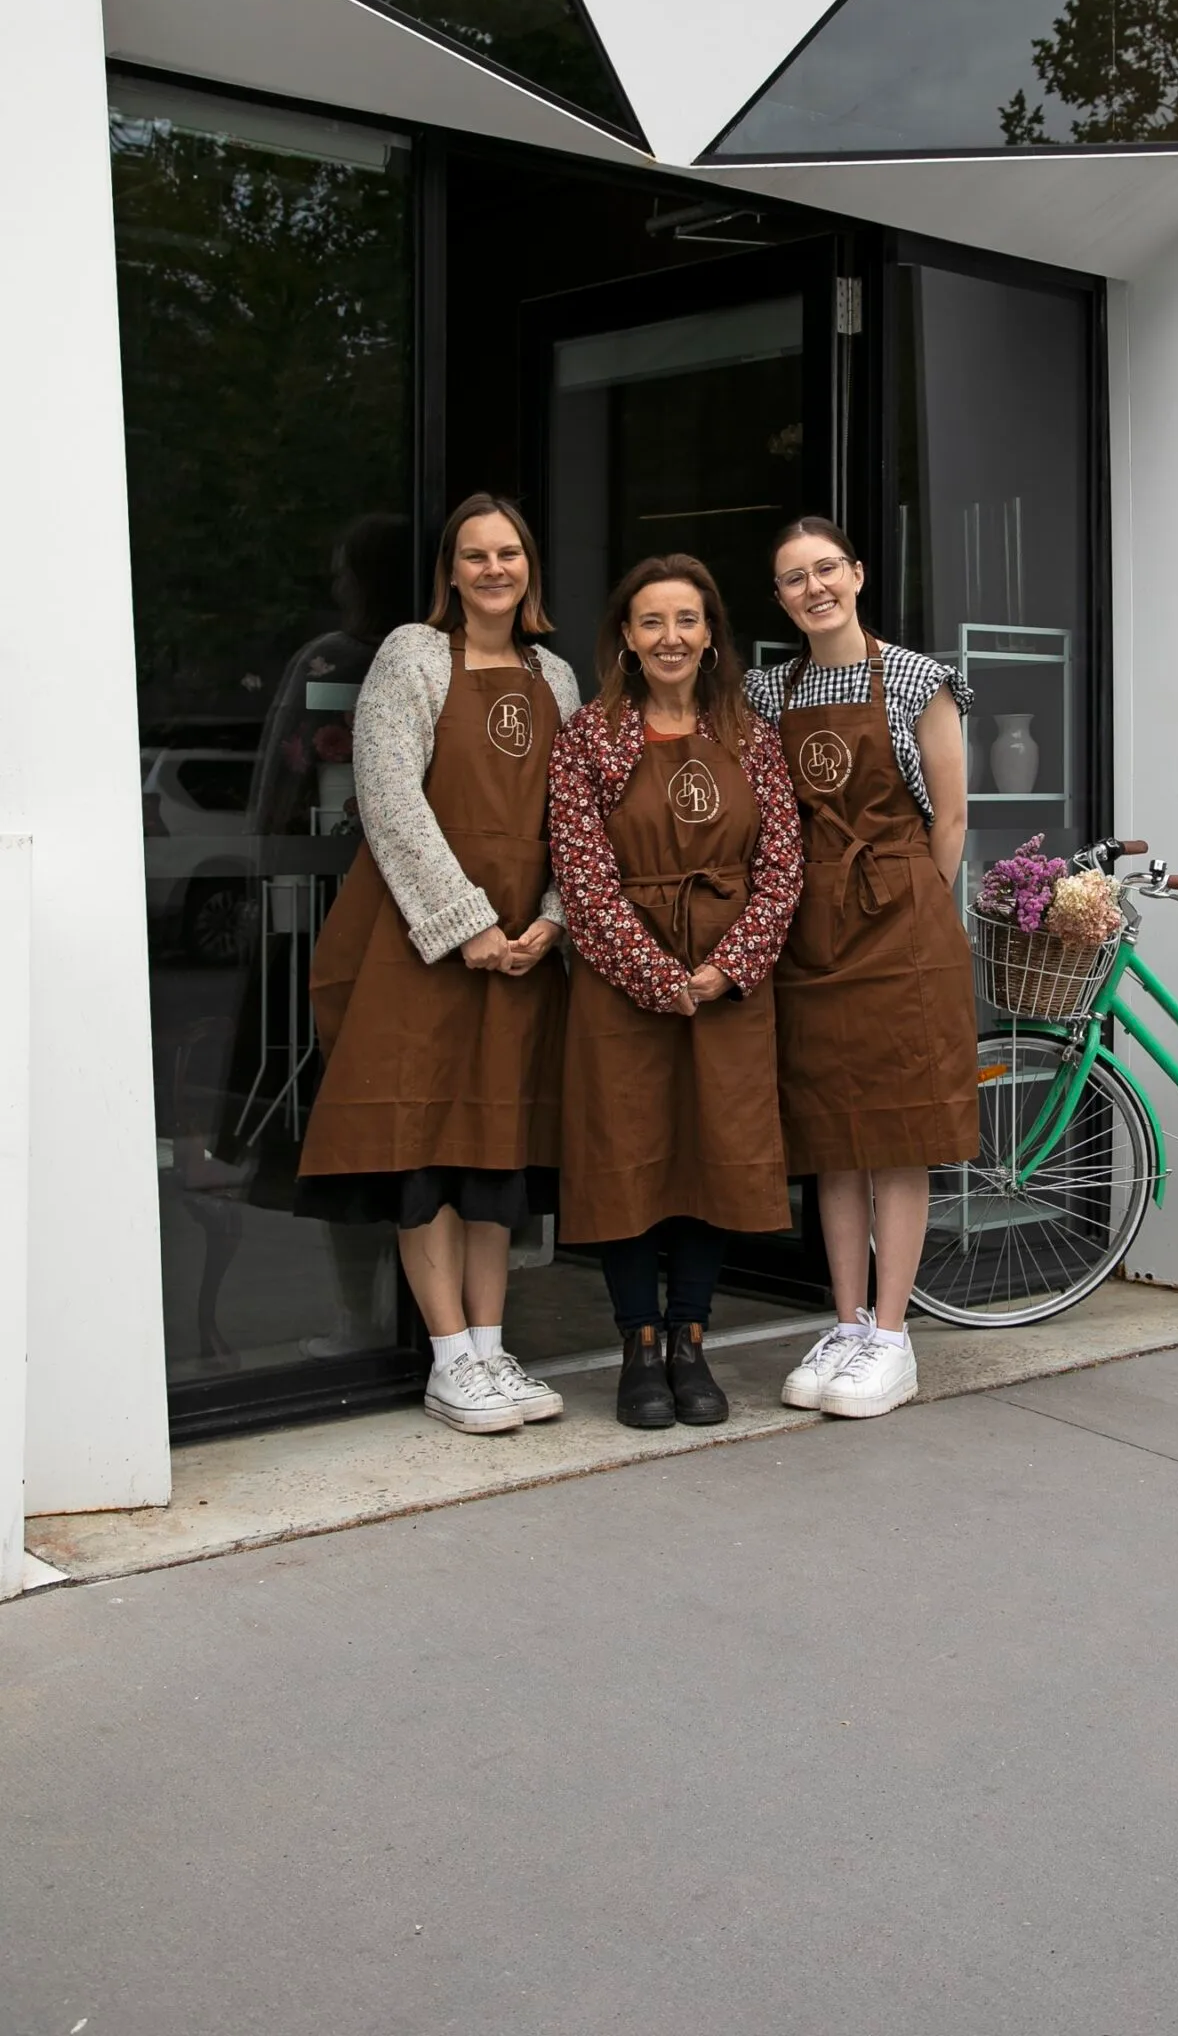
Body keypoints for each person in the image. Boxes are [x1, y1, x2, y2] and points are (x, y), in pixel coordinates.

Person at [296, 493, 578, 1435]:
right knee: (420, 1146)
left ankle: (493, 1351)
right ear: (449, 572)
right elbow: (388, 798)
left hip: (519, 956)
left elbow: (572, 823)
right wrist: (467, 926)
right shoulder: (412, 656)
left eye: (508, 553)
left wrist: (550, 919)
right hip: (417, 947)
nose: (494, 569)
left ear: (528, 567)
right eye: (474, 555)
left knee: (493, 1153)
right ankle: (449, 1358)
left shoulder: (559, 676)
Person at [549, 553, 803, 1430]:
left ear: (710, 635)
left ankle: (692, 1337)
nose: (670, 638)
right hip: (624, 988)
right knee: (629, 1159)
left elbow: (781, 864)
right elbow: (579, 877)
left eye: (686, 621)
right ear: (625, 637)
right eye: (652, 622)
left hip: (731, 984)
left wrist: (727, 968)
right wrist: (658, 976)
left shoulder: (749, 735)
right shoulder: (586, 737)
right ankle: (639, 1346)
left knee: (715, 1156)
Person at [745, 515, 978, 1419]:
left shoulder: (919, 677)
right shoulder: (768, 691)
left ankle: (891, 1335)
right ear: (779, 599)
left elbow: (949, 821)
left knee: (900, 1130)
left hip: (900, 920)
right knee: (831, 1134)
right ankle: (844, 1324)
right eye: (794, 579)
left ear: (858, 572)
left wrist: (913, 910)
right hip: (810, 925)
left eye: (826, 569)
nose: (814, 589)